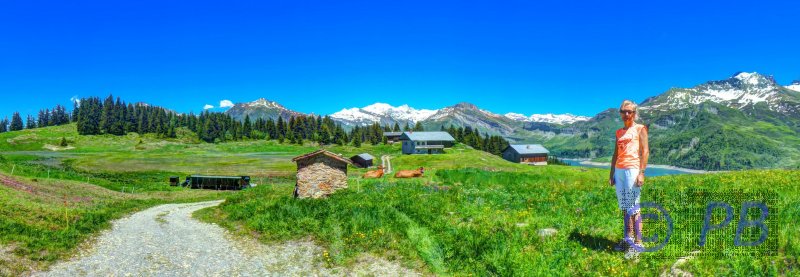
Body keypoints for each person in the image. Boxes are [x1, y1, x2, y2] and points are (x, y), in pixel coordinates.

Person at [609, 100, 649, 259]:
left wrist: (642, 172)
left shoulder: (640, 129)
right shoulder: (619, 132)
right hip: (619, 170)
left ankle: (638, 243)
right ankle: (628, 239)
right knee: (625, 207)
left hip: (633, 170)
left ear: (634, 114)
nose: (626, 114)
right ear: (620, 113)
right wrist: (611, 173)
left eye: (630, 112)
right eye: (624, 111)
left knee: (634, 208)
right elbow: (615, 154)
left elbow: (645, 151)